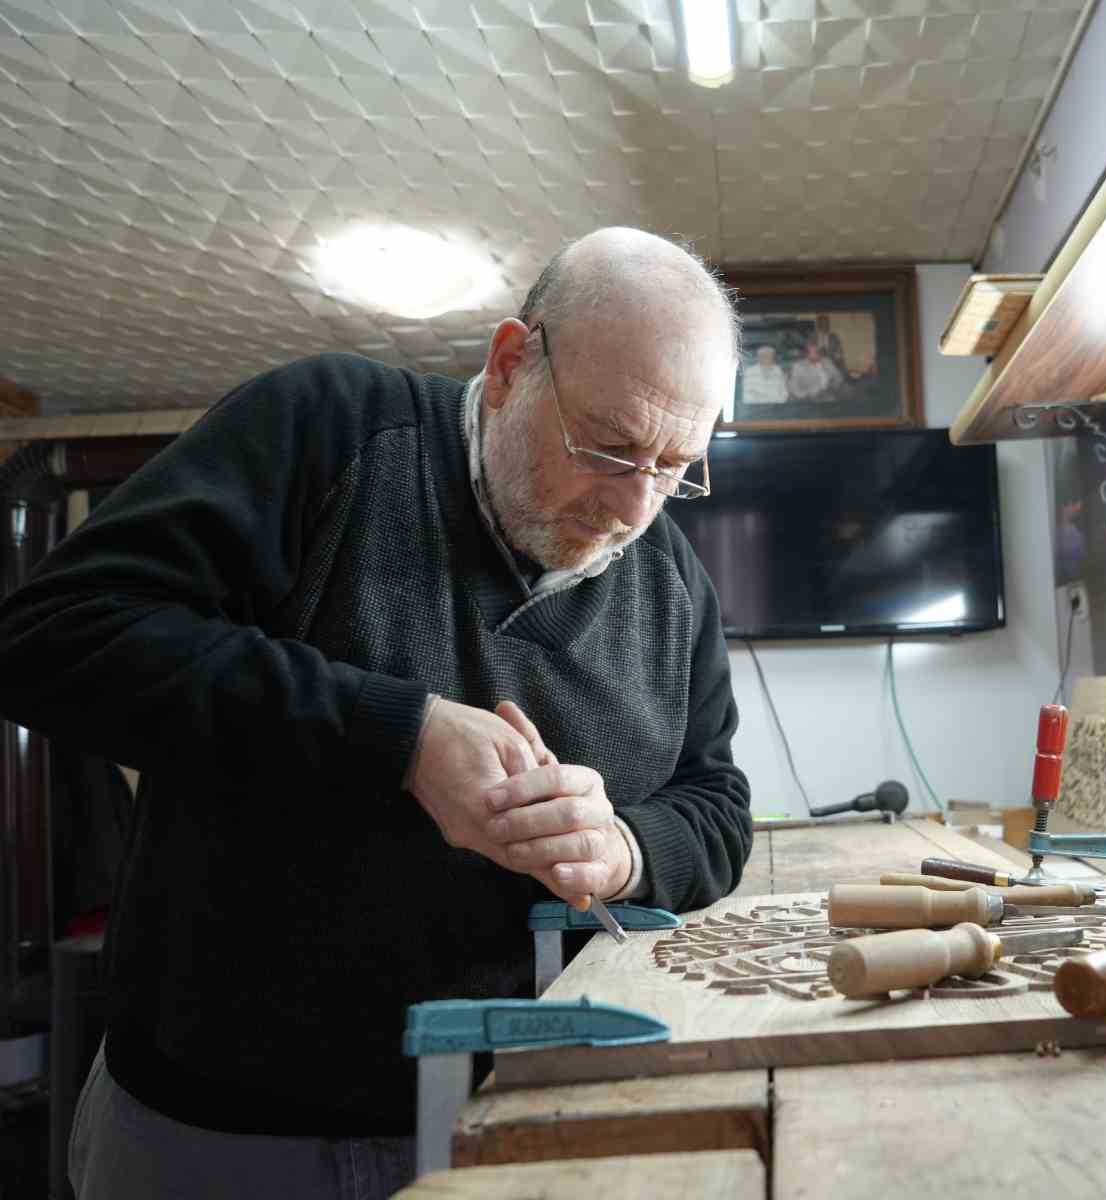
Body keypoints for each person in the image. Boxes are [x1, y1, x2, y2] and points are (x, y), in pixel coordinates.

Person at [0, 227, 754, 1199]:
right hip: (222, 1131)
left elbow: (719, 803)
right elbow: (53, 638)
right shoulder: (329, 430)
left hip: (525, 1121)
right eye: (606, 447)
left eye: (674, 466)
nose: (632, 506)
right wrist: (397, 737)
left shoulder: (673, 581)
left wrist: (623, 848)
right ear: (510, 365)